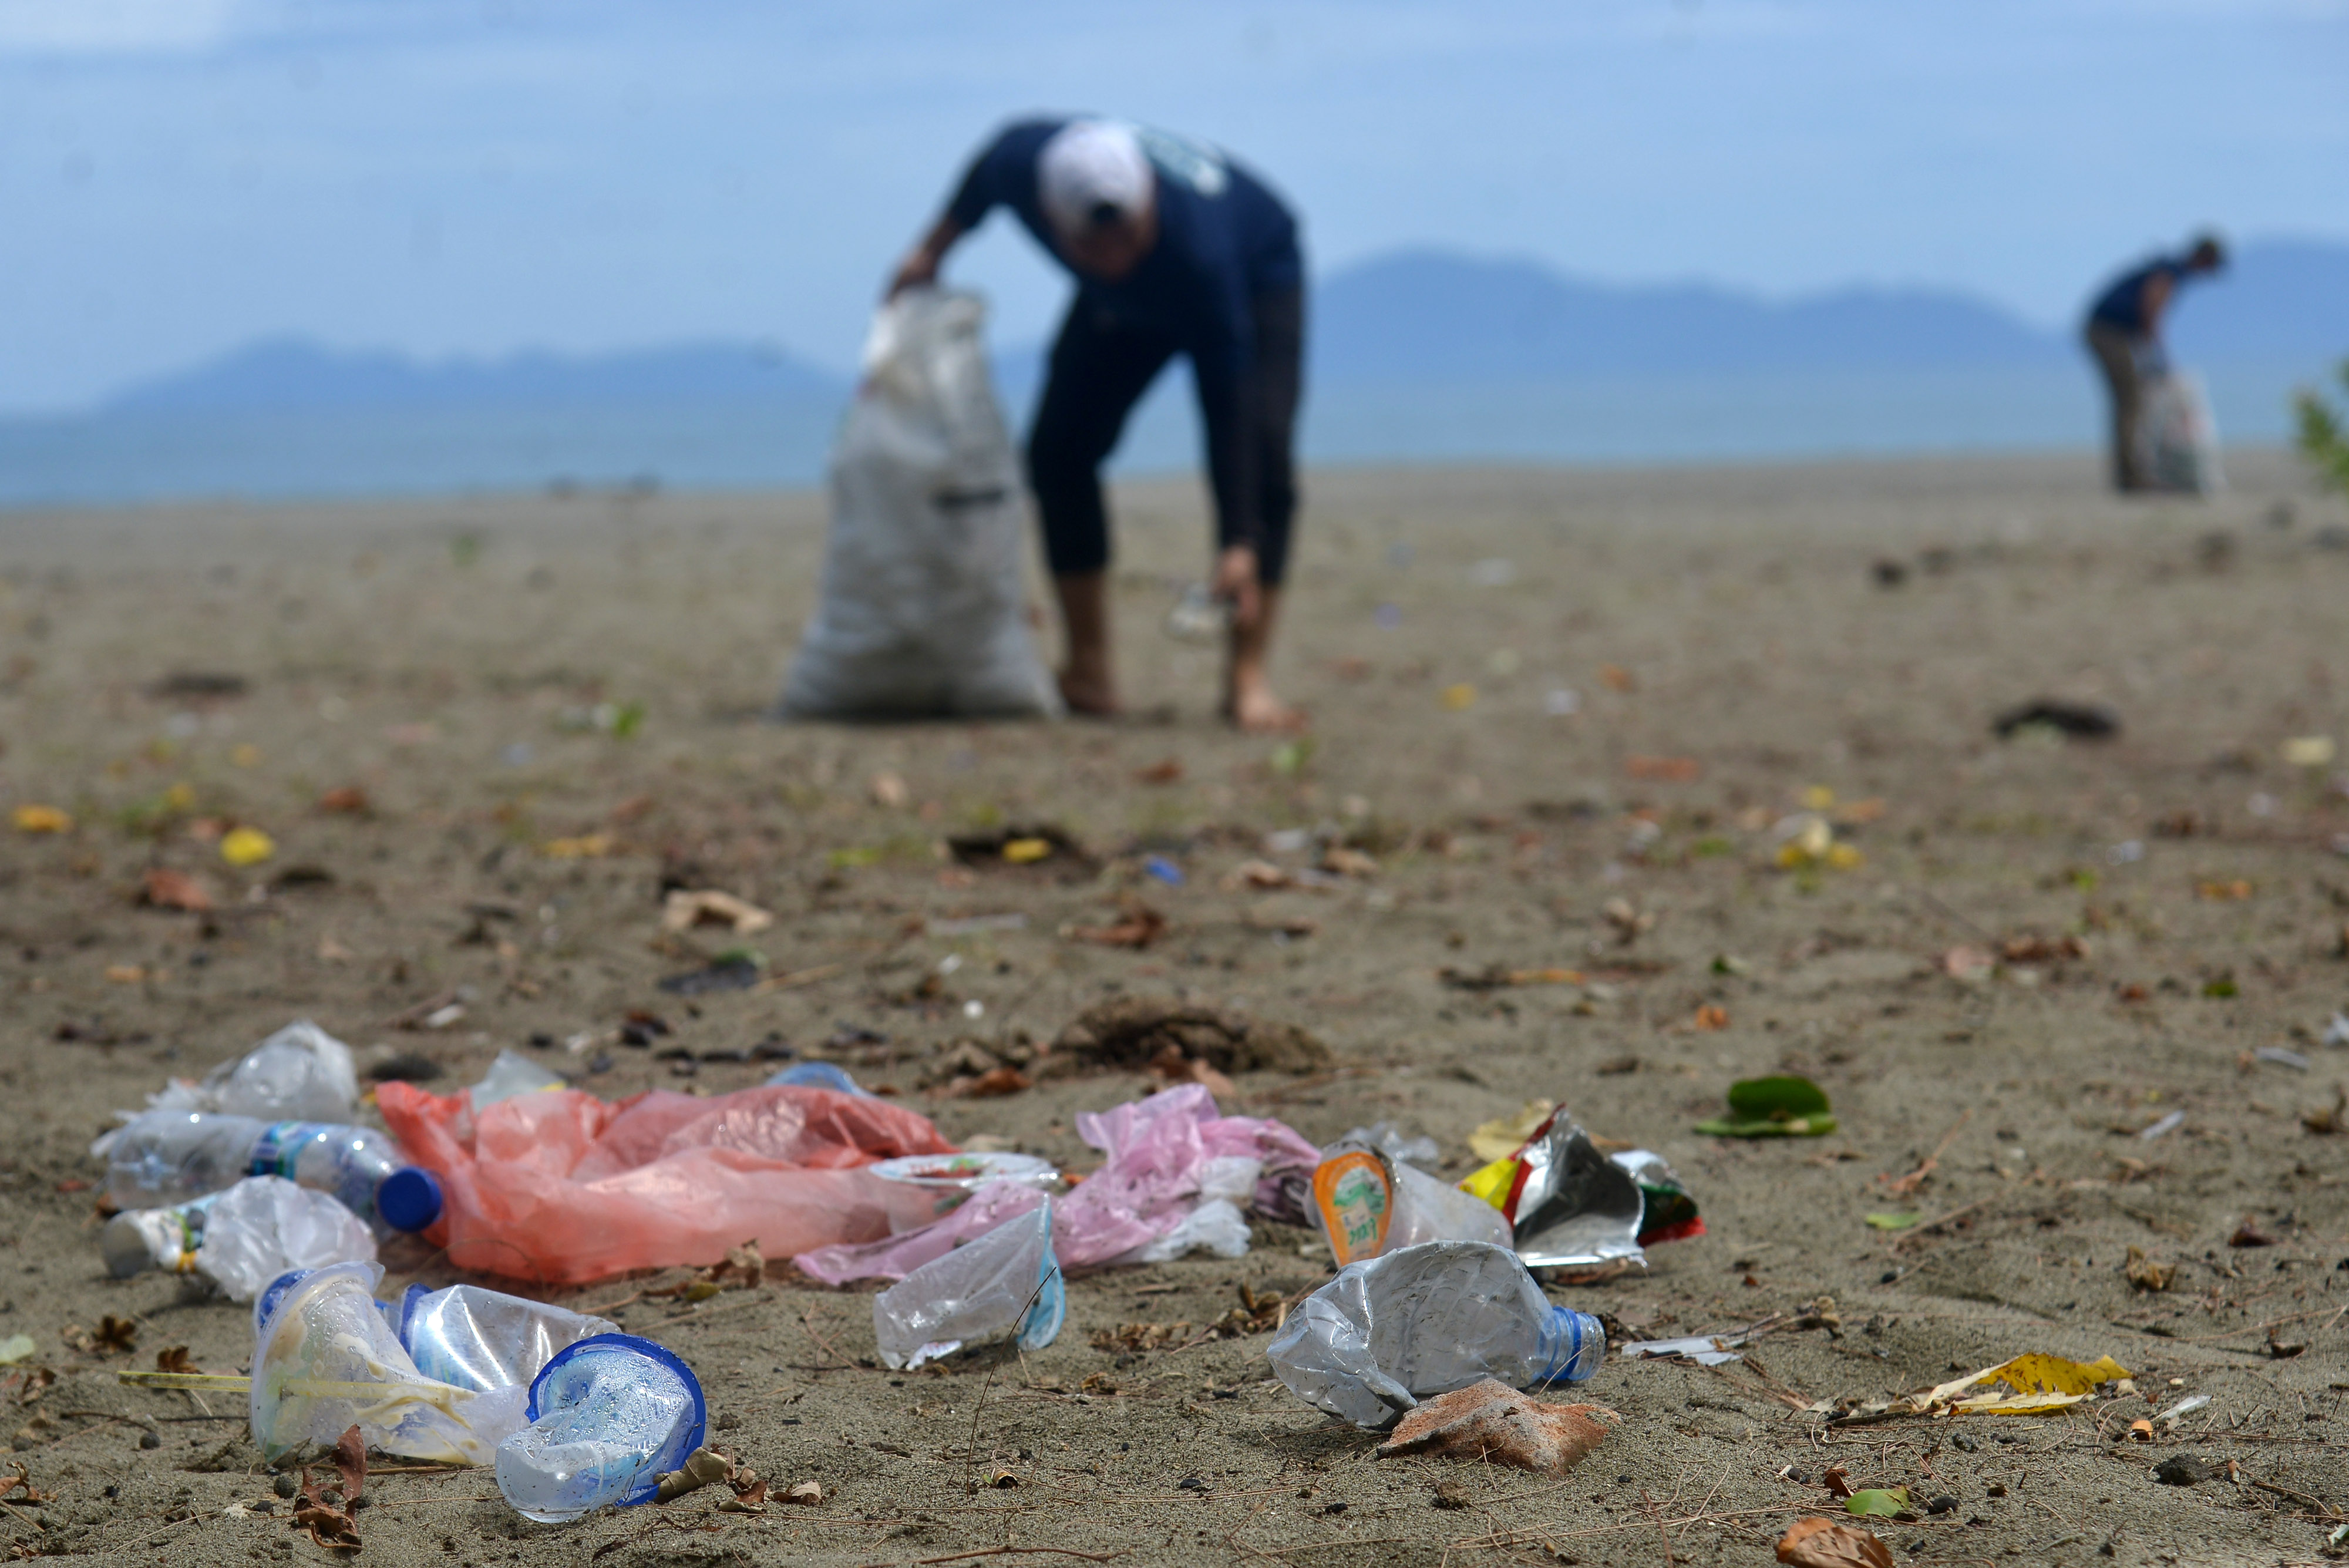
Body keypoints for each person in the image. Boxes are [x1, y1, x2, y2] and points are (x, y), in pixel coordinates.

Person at [889, 117, 1305, 731]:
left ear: (1148, 204)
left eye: (1125, 239)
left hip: (1257, 273)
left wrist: (1237, 540)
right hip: (1128, 303)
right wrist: (931, 250)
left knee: (1267, 467)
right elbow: (982, 177)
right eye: (1091, 246)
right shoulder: (1023, 164)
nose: (1111, 258)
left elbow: (1229, 402)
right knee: (1058, 453)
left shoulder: (1203, 255)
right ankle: (1088, 669)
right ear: (1049, 217)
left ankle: (1247, 681)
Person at [2082, 233, 2225, 492]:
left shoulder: (2170, 268)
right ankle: (2131, 478)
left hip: (2114, 332)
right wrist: (2157, 356)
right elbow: (2150, 311)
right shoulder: (2170, 273)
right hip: (2108, 332)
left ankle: (2137, 473)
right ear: (2204, 260)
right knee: (2130, 401)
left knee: (2133, 400)